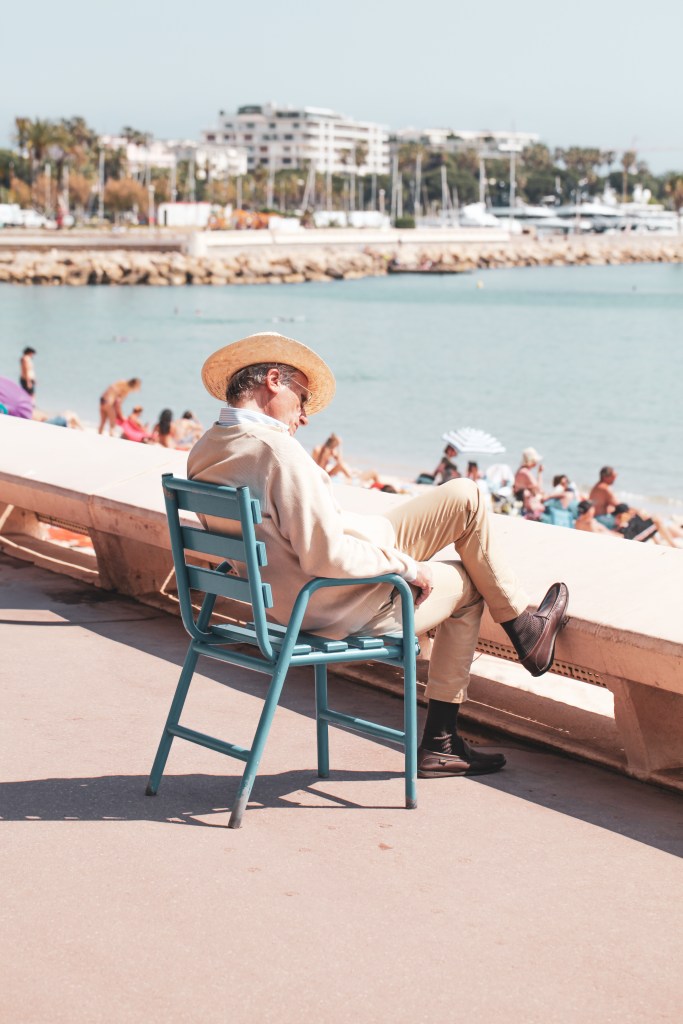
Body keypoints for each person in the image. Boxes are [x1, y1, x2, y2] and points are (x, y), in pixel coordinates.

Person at [187, 331, 570, 779]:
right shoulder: (277, 453)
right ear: (274, 380)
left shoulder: (205, 449)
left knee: (465, 495)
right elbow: (326, 557)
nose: (304, 416)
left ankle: (524, 628)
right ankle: (445, 737)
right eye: (303, 399)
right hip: (335, 602)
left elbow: (295, 534)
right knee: (467, 584)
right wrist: (406, 566)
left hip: (286, 598)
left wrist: (376, 541)